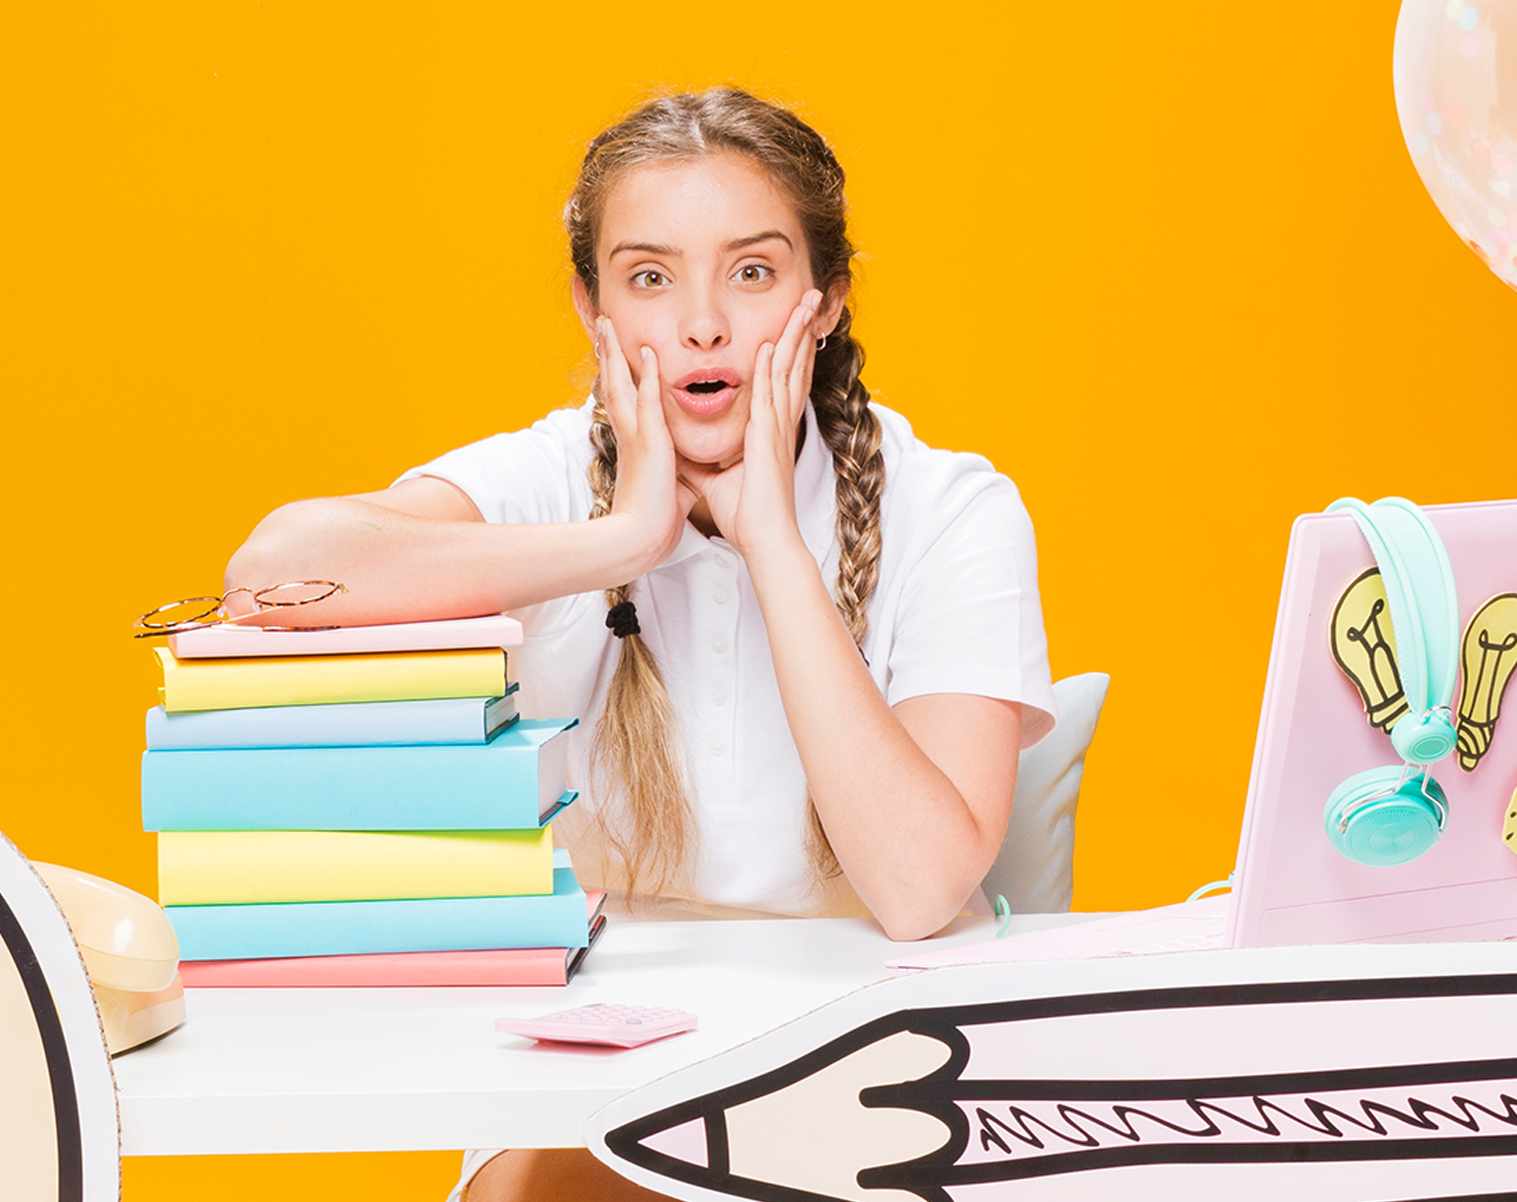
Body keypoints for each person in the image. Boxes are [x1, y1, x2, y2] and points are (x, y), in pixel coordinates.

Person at [224, 87, 1057, 1201]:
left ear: (826, 300)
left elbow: (916, 888)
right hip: (599, 1067)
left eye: (752, 272)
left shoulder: (951, 508)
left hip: (874, 1051)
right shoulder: (549, 480)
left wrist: (773, 550)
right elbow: (270, 578)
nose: (703, 325)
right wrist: (621, 537)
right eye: (651, 276)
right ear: (592, 307)